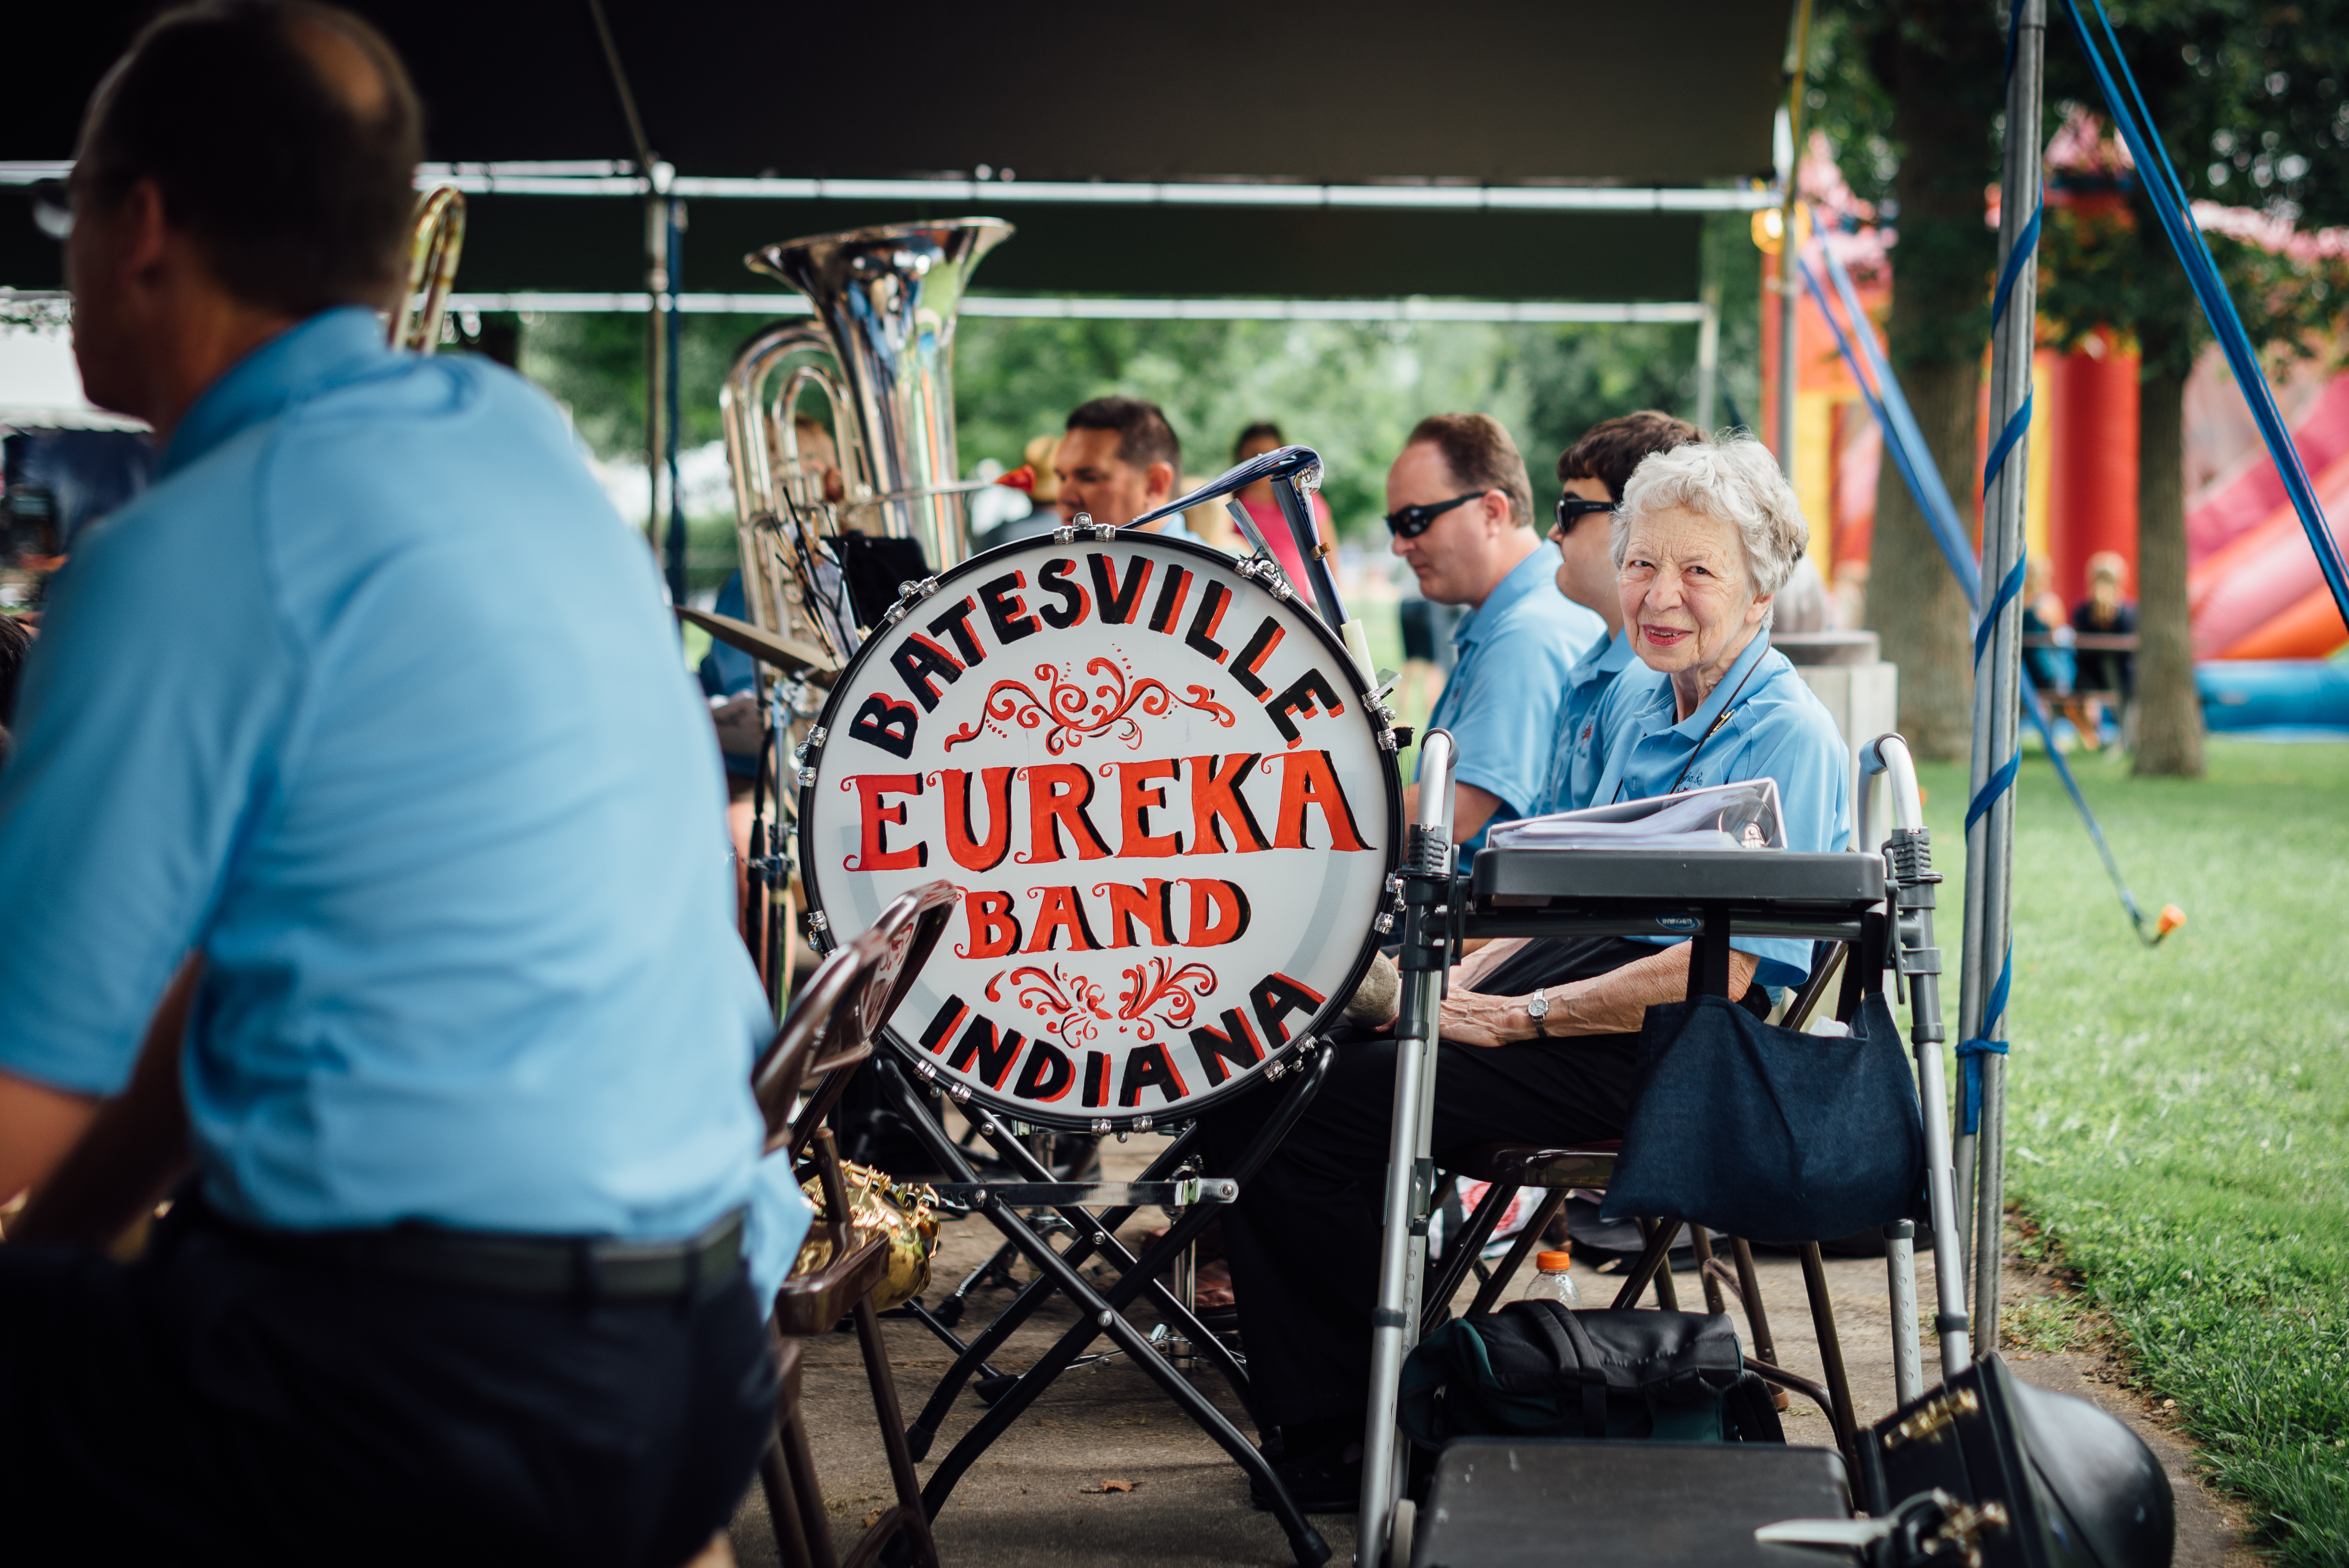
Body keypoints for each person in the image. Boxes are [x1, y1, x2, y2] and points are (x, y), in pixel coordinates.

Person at [0, 6, 791, 1562]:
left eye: (67, 212)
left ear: (140, 222)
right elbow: (232, 987)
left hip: (407, 1401)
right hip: (690, 1369)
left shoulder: (187, 553)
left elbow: (14, 1110)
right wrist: (73, 1244)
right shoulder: (514, 445)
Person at [1208, 435, 1849, 1512]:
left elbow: (1730, 971)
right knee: (1274, 1068)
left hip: (1677, 1051)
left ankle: (1353, 1436)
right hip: (1577, 997)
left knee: (1322, 1111)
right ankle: (1346, 1413)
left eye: (1697, 571)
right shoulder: (1646, 701)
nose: (1659, 595)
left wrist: (1519, 1018)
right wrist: (1448, 992)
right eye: (1643, 562)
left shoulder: (1786, 729)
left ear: (1760, 583)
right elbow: (1550, 894)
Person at [1390, 413, 1605, 847]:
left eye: (1414, 520)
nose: (1399, 545)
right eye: (1394, 526)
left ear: (1492, 512)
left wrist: (1299, 811)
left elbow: (1451, 814)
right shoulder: (1521, 613)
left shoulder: (1527, 633)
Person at [1536, 410, 1705, 815]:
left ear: (1636, 520)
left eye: (1571, 511)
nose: (1554, 531)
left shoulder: (1650, 681)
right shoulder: (1598, 663)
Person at [1053, 395, 1200, 539]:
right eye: (1062, 478)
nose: (1064, 498)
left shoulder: (1207, 564)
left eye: (1089, 478)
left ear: (1155, 485)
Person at [1230, 420, 1335, 582]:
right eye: (1255, 455)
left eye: (1270, 457)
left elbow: (1330, 557)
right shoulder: (1229, 502)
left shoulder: (1303, 496)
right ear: (1241, 457)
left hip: (1298, 603)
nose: (1263, 465)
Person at [2069, 550, 2136, 744]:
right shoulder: (2128, 614)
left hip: (2087, 679)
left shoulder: (2082, 612)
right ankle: (2122, 739)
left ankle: (2091, 739)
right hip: (2122, 680)